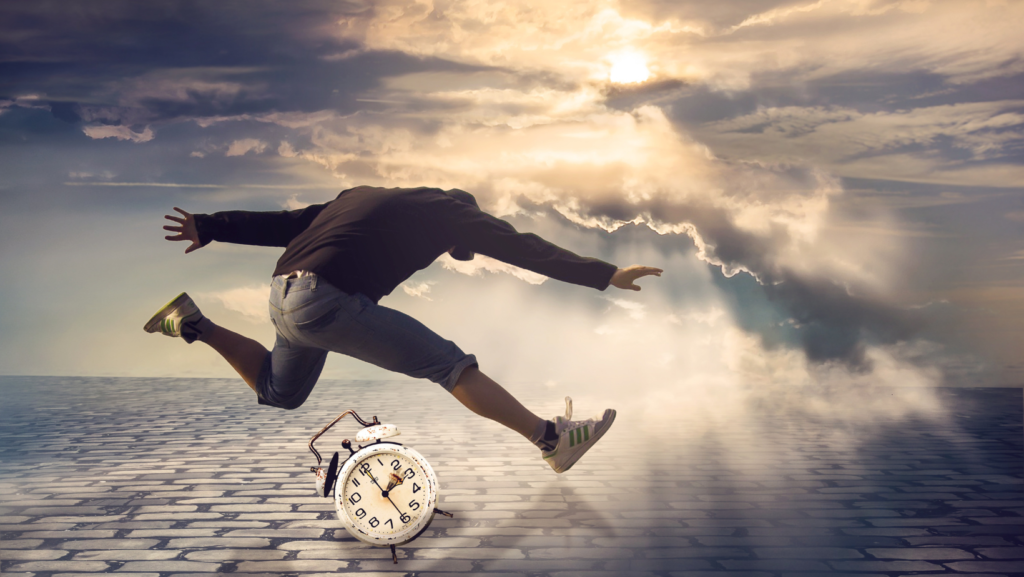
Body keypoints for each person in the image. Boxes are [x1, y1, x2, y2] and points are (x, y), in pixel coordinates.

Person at [145, 185, 662, 473]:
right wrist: (606, 274)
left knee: (279, 392)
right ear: (460, 216)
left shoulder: (361, 197)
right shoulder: (452, 213)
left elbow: (289, 222)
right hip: (324, 301)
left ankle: (192, 323)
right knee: (450, 364)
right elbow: (524, 247)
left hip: (283, 293)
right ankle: (552, 439)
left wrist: (211, 225)